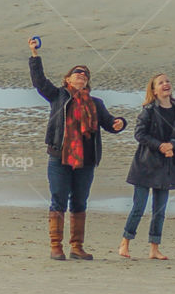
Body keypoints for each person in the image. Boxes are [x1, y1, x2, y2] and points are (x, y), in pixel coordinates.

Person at [28, 36, 126, 260]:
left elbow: (110, 123)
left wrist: (119, 123)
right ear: (67, 79)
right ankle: (56, 246)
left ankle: (76, 247)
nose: (81, 74)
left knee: (80, 202)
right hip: (58, 156)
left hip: (87, 160)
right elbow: (39, 81)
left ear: (88, 81)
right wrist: (34, 54)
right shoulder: (58, 96)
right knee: (59, 200)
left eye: (84, 74)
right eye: (77, 72)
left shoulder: (95, 103)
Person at [118, 73, 175, 261]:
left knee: (160, 210)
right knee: (139, 206)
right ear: (154, 90)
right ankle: (125, 242)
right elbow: (139, 134)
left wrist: (173, 145)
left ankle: (154, 249)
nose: (166, 84)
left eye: (168, 81)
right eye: (161, 82)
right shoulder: (148, 110)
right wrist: (160, 146)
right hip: (145, 164)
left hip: (168, 166)